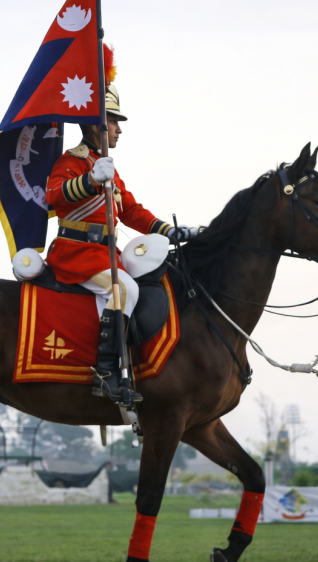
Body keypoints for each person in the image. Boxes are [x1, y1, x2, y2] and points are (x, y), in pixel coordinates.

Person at [45, 83, 194, 403]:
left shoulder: (107, 167)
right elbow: (54, 196)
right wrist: (90, 180)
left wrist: (169, 231)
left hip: (103, 253)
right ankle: (105, 373)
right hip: (75, 252)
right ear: (95, 126)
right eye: (113, 121)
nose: (118, 130)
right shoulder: (73, 161)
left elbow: (131, 211)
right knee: (124, 289)